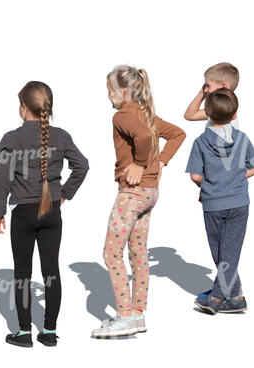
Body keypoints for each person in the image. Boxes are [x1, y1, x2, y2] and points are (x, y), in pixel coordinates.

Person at [0, 81, 89, 347]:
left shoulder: (11, 138)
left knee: (22, 271)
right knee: (51, 271)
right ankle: (49, 331)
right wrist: (64, 194)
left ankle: (24, 334)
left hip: (23, 212)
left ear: (23, 107)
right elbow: (82, 166)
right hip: (52, 213)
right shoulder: (61, 136)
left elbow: (1, 178)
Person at [91, 65, 186, 338]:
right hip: (151, 193)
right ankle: (137, 314)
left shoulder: (122, 116)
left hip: (132, 194)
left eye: (109, 91)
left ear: (121, 92)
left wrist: (140, 164)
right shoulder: (146, 114)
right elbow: (178, 133)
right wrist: (160, 162)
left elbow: (144, 138)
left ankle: (124, 316)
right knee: (138, 252)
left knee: (111, 252)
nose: (108, 96)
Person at [185, 88, 254, 314]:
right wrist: (234, 177)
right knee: (228, 252)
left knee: (222, 251)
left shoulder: (200, 142)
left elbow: (195, 176)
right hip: (239, 203)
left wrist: (210, 183)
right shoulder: (243, 138)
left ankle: (217, 298)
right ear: (235, 115)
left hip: (213, 204)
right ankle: (236, 297)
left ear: (207, 114)